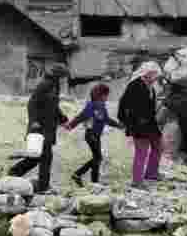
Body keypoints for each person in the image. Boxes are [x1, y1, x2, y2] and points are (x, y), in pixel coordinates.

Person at [8, 64, 69, 194]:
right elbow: (32, 103)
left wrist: (62, 118)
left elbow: (53, 105)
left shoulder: (55, 86)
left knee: (36, 157)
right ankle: (43, 187)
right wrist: (34, 121)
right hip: (40, 128)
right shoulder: (45, 84)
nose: (64, 79)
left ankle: (14, 173)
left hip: (48, 128)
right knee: (45, 157)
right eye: (63, 76)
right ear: (58, 75)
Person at [64, 83, 122, 187]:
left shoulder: (101, 106)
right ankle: (78, 174)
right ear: (100, 95)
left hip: (96, 135)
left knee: (97, 158)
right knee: (98, 158)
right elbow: (81, 116)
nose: (107, 97)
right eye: (106, 95)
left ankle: (94, 181)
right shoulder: (92, 105)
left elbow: (106, 119)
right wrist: (71, 125)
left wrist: (118, 125)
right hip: (91, 135)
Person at [117, 61, 164, 189]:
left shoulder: (151, 87)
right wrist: (125, 122)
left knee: (158, 146)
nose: (156, 77)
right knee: (141, 152)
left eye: (156, 74)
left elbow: (150, 107)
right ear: (147, 73)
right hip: (139, 125)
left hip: (150, 124)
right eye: (154, 74)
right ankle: (137, 181)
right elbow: (123, 104)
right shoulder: (135, 85)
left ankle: (151, 173)